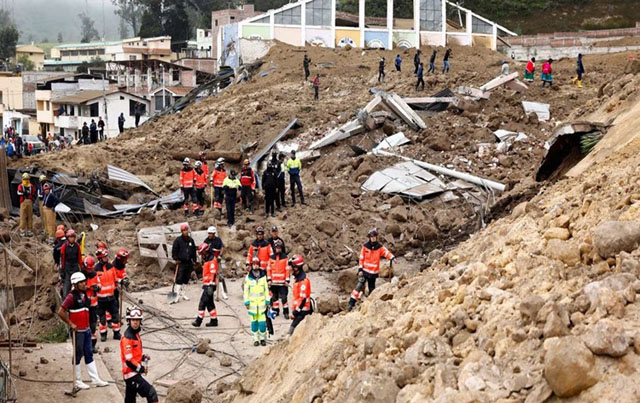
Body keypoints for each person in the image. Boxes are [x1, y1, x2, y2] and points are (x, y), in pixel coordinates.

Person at [57, 272, 110, 390]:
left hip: (85, 329)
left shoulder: (84, 294)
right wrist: (70, 323)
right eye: (81, 282)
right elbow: (61, 311)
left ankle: (95, 379)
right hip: (78, 331)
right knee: (78, 353)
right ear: (75, 284)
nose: (83, 284)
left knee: (89, 352)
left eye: (83, 281)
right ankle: (78, 380)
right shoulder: (71, 297)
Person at [347, 229, 395, 310]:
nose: (373, 238)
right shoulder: (365, 246)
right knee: (358, 286)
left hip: (373, 273)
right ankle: (351, 304)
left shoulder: (379, 247)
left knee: (372, 289)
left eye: (374, 237)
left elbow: (386, 252)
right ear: (369, 238)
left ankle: (370, 305)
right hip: (365, 271)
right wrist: (360, 270)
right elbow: (361, 258)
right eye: (371, 237)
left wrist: (392, 257)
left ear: (376, 237)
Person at [120, 306, 159, 403]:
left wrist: (142, 357)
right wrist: (140, 368)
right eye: (133, 320)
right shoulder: (128, 338)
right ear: (129, 320)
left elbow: (133, 356)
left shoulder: (134, 334)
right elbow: (129, 361)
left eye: (137, 320)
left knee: (130, 400)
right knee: (151, 393)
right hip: (131, 375)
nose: (136, 322)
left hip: (131, 374)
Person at [95, 248, 121, 340]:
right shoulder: (96, 269)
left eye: (106, 256)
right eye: (104, 256)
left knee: (115, 316)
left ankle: (117, 333)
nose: (106, 258)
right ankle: (103, 334)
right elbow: (95, 283)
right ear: (100, 258)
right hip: (101, 299)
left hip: (111, 297)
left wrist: (121, 281)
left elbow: (115, 278)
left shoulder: (111, 267)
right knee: (102, 318)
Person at [244, 257, 270, 346]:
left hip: (262, 304)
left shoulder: (263, 277)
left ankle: (262, 338)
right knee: (254, 323)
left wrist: (267, 300)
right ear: (252, 265)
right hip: (252, 305)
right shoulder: (248, 277)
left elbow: (266, 289)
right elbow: (246, 291)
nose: (255, 266)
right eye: (254, 264)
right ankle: (256, 339)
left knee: (262, 323)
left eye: (257, 264)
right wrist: (246, 302)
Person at [192, 243, 219, 327]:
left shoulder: (211, 260)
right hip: (207, 284)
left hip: (210, 285)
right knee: (210, 303)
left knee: (202, 302)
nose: (202, 255)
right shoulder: (208, 259)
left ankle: (199, 320)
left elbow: (213, 273)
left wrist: (211, 285)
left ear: (206, 251)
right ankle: (214, 320)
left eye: (202, 253)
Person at [171, 224, 196, 303]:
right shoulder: (178, 240)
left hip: (188, 262)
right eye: (184, 231)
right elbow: (174, 250)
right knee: (179, 279)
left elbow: (193, 251)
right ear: (181, 231)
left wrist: (194, 260)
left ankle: (183, 293)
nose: (185, 232)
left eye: (186, 230)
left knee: (186, 279)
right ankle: (176, 295)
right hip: (181, 262)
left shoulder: (191, 240)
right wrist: (176, 258)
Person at [81, 256, 101, 351]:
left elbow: (99, 285)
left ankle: (92, 346)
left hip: (93, 305)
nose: (89, 271)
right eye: (88, 269)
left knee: (93, 326)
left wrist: (97, 287)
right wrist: (86, 287)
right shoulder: (80, 275)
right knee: (83, 326)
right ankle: (84, 346)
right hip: (83, 306)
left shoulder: (94, 274)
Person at [288, 254, 311, 335]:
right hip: (299, 312)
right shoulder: (297, 279)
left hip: (302, 312)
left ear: (296, 267)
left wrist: (295, 313)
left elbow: (303, 299)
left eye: (291, 267)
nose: (290, 269)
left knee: (292, 331)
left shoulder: (303, 281)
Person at [204, 226, 228, 300]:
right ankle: (211, 292)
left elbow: (222, 247)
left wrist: (220, 255)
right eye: (209, 233)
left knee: (220, 275)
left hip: (217, 260)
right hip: (210, 261)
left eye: (211, 233)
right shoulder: (206, 241)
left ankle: (223, 292)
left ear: (214, 233)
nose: (209, 235)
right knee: (211, 276)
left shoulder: (218, 240)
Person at [267, 240, 289, 318]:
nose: (278, 249)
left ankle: (286, 312)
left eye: (279, 248)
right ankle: (276, 311)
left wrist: (287, 280)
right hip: (273, 283)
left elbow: (287, 270)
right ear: (274, 248)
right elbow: (269, 269)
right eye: (277, 248)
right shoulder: (271, 258)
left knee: (284, 298)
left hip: (282, 283)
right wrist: (269, 280)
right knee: (274, 298)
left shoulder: (285, 258)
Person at [111, 249, 130, 329]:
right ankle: (112, 320)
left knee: (117, 304)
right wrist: (120, 280)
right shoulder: (113, 267)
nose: (127, 261)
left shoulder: (121, 265)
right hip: (110, 289)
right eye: (125, 259)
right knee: (113, 306)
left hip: (115, 289)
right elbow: (114, 277)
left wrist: (125, 278)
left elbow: (122, 272)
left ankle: (116, 318)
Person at [17, 172, 35, 237]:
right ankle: (22, 230)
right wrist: (25, 193)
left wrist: (28, 194)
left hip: (29, 201)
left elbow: (33, 193)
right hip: (23, 201)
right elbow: (19, 192)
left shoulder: (31, 186)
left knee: (30, 216)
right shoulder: (20, 186)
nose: (26, 180)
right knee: (22, 216)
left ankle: (30, 230)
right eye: (25, 179)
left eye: (27, 179)